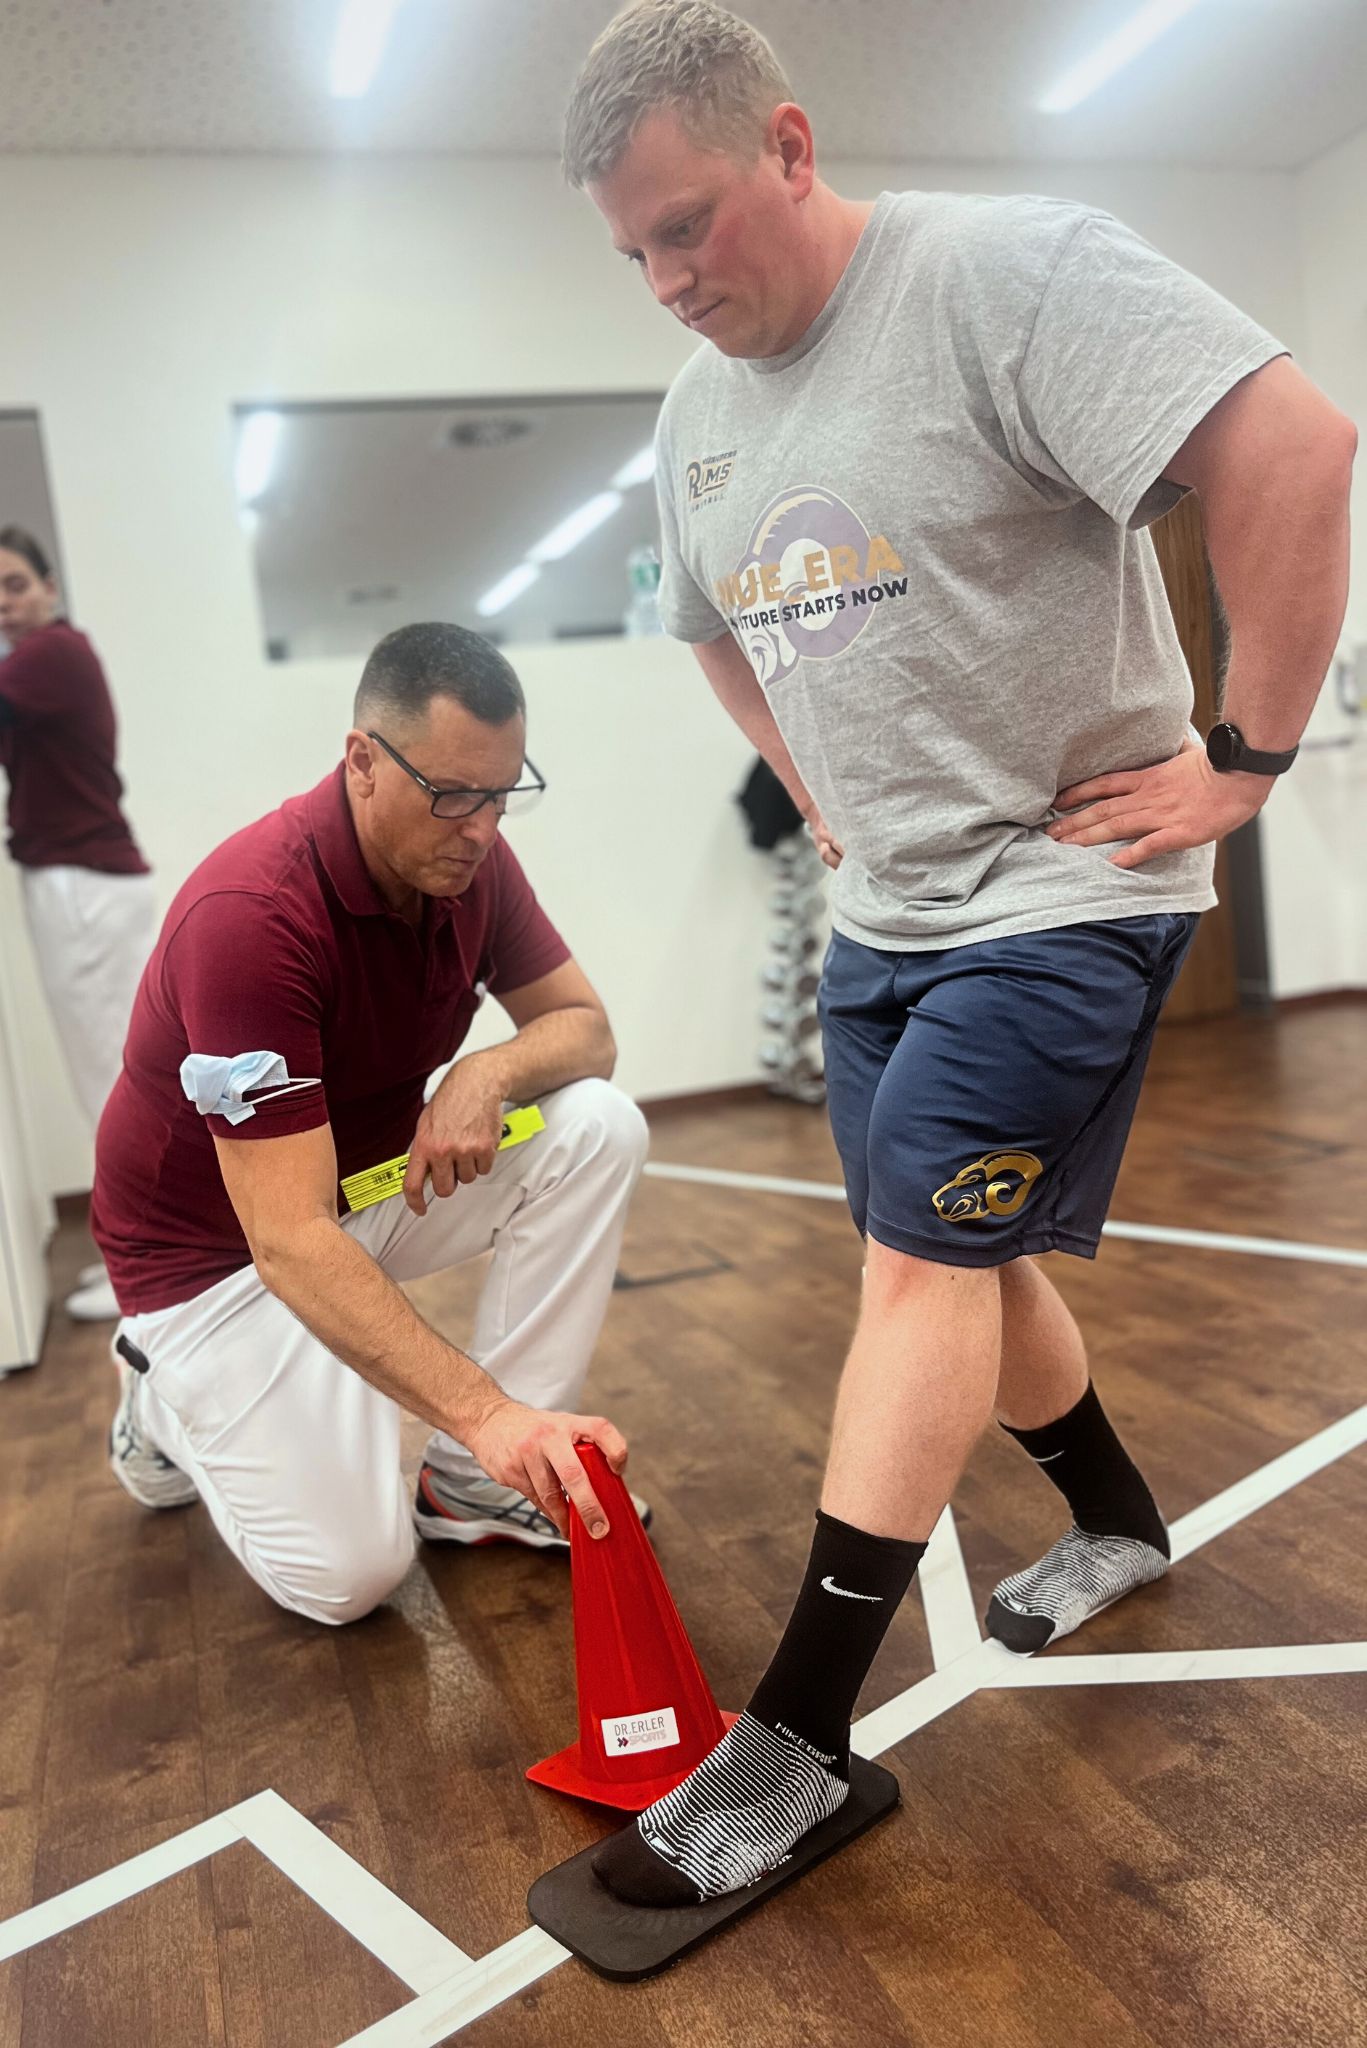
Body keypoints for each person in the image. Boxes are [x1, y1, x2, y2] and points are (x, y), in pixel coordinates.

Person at [564, 0, 1356, 1904]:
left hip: (1065, 893)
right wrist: (804, 780)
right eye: (633, 252)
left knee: (918, 1265)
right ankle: (1116, 1516)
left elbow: (1298, 445)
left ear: (788, 144)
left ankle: (800, 1742)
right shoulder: (694, 418)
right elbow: (704, 615)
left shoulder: (1003, 275)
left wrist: (1241, 759)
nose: (670, 279)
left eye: (690, 223)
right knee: (952, 1249)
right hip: (884, 911)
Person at [89, 622, 650, 1625]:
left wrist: (490, 1067)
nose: (480, 826)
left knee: (596, 1122)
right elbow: (288, 1238)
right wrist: (489, 1413)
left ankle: (471, 1486)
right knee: (350, 1579)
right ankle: (160, 1394)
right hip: (216, 1264)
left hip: (363, 1192)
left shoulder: (471, 861)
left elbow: (588, 1032)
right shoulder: (249, 918)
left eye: (501, 792)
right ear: (361, 761)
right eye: (451, 794)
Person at [0, 525, 157, 1321]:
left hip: (82, 886)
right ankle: (136, 1264)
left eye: (15, 583)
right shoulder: (35, 670)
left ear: (50, 589)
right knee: (109, 1080)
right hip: (79, 881)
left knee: (110, 1084)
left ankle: (145, 1278)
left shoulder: (50, 655)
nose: (3, 601)